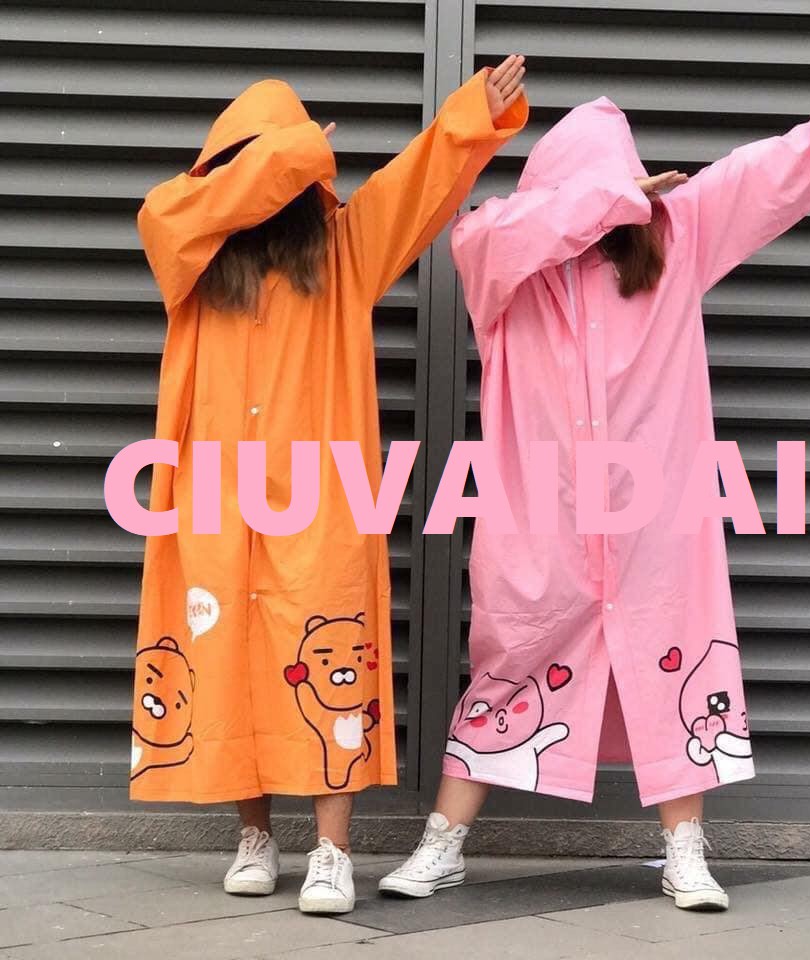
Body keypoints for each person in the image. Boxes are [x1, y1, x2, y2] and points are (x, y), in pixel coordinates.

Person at [380, 71, 810, 911]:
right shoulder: (502, 257)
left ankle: (684, 852)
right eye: (597, 187)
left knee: (674, 659)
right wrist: (609, 197)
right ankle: (442, 843)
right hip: (543, 517)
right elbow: (495, 232)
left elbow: (771, 174)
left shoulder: (679, 235)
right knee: (509, 663)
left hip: (657, 515)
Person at [132, 56, 528, 915]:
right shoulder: (188, 249)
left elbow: (418, 184)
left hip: (320, 491)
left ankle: (332, 849)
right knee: (227, 651)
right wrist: (291, 153)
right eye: (258, 161)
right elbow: (173, 208)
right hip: (214, 488)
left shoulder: (346, 250)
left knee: (329, 650)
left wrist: (470, 114)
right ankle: (254, 835)